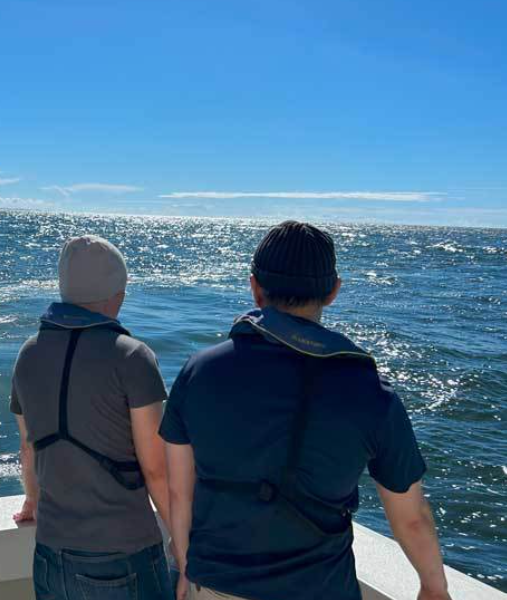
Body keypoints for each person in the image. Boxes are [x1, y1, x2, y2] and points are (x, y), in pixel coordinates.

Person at [160, 221, 451, 600]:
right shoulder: (371, 391)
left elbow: (179, 493)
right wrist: (433, 586)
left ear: (254, 288)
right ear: (332, 292)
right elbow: (411, 518)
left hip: (215, 584)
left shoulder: (199, 371)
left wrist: (186, 568)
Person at [11, 235, 174, 600]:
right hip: (124, 557)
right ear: (117, 293)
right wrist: (182, 540)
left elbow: (28, 449)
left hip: (50, 556)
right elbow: (156, 469)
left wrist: (32, 503)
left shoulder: (28, 353)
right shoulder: (133, 357)